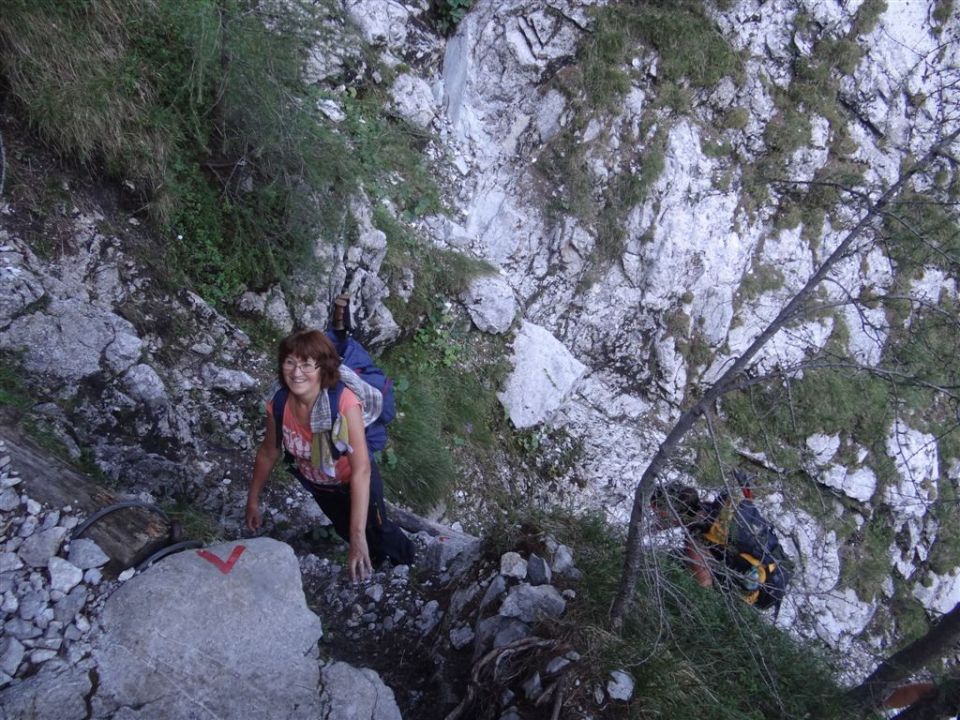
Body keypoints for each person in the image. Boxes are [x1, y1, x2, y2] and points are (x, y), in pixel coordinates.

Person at [245, 329, 414, 581]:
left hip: (352, 480)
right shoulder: (279, 403)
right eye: (290, 362)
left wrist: (358, 538)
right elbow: (269, 452)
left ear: (322, 369)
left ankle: (409, 564)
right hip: (320, 484)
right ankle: (375, 563)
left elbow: (361, 470)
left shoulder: (344, 403)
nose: (296, 372)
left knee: (378, 528)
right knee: (343, 527)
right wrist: (253, 501)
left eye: (306, 365)